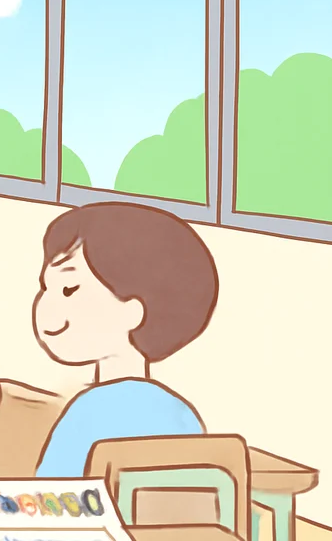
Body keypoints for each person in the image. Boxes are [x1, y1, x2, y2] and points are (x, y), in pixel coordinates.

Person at [33, 203, 215, 478]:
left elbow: (50, 492)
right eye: (46, 287)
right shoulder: (182, 415)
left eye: (69, 289)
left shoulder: (89, 411)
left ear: (133, 311)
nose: (45, 304)